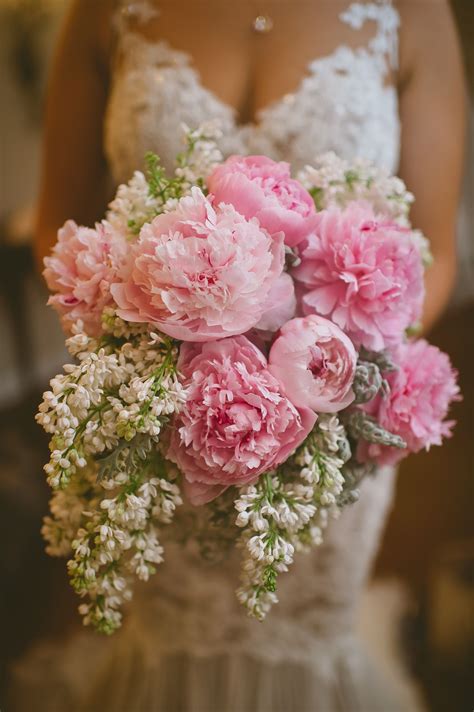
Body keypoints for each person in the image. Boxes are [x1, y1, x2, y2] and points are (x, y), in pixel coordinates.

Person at [11, 1, 465, 710]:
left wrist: (331, 367)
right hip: (160, 414)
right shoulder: (102, 11)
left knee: (309, 635)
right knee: (166, 637)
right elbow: (57, 223)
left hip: (332, 418)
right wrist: (147, 355)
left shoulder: (414, 13)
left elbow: (434, 248)